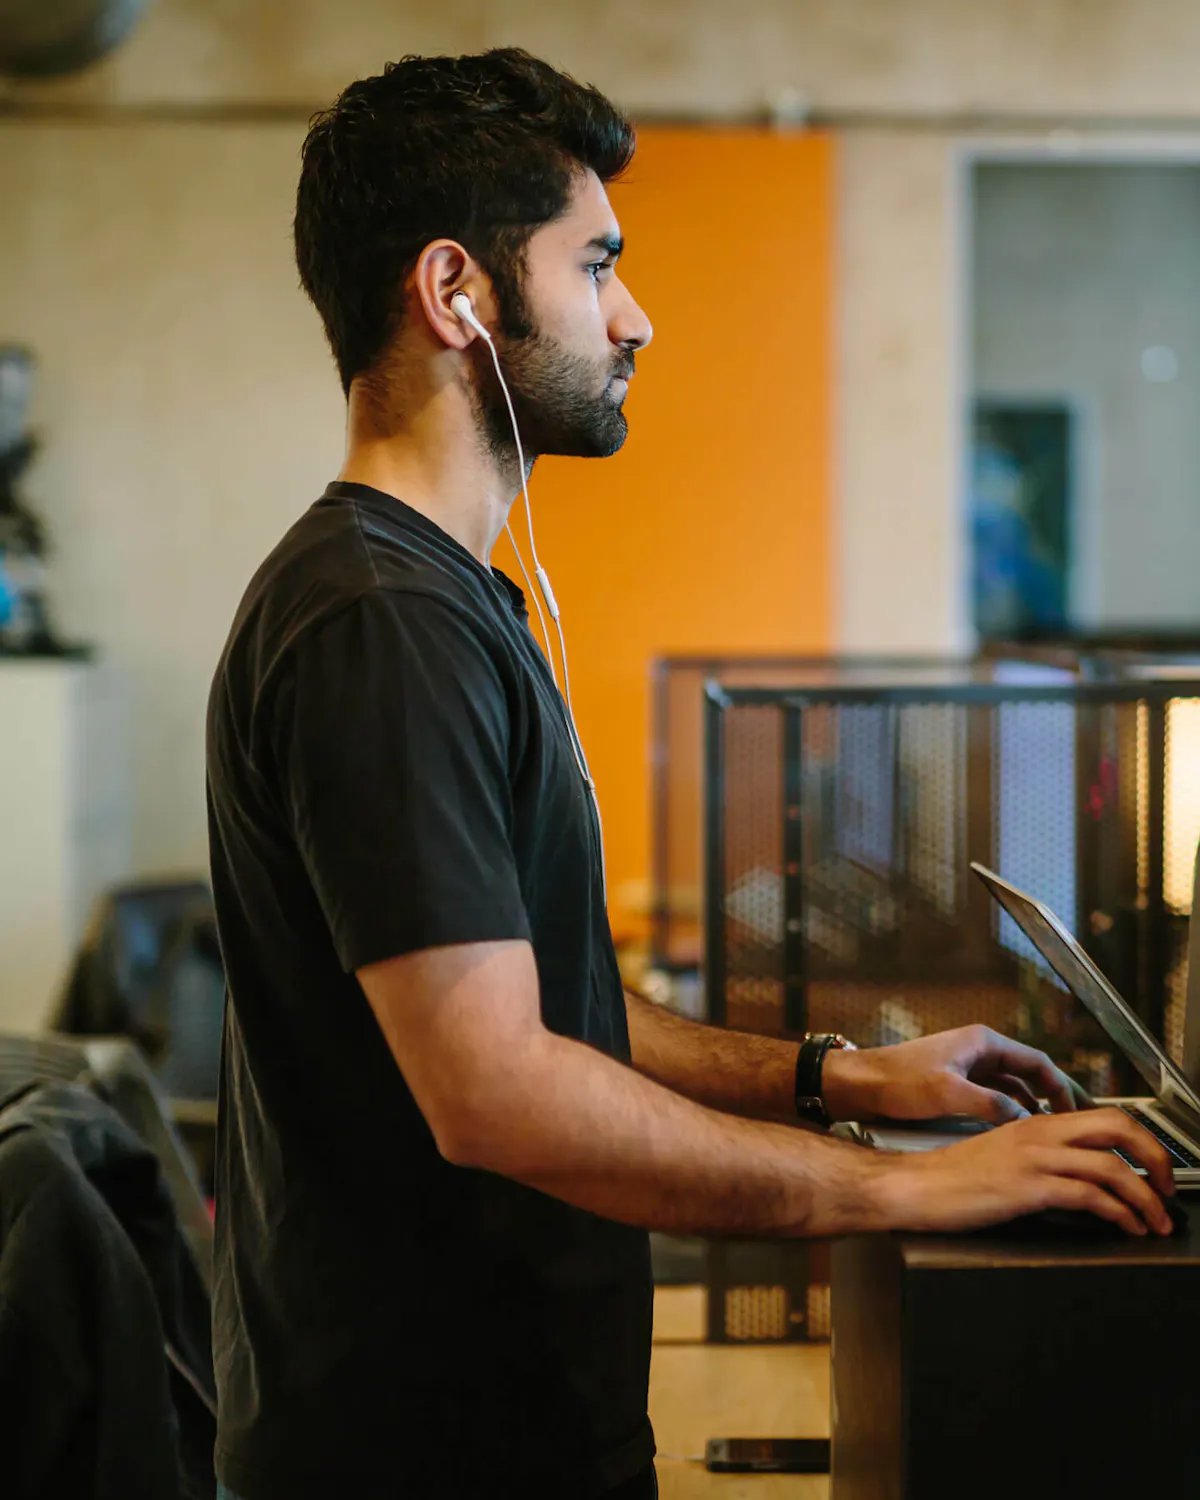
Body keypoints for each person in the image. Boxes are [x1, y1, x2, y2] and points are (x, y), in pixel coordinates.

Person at [205, 47, 1175, 1500]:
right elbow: (500, 1092)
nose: (634, 315)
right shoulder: (379, 622)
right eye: (596, 264)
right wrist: (900, 1191)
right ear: (458, 292)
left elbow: (553, 1001)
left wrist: (837, 1077)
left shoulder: (441, 599)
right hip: (420, 1450)